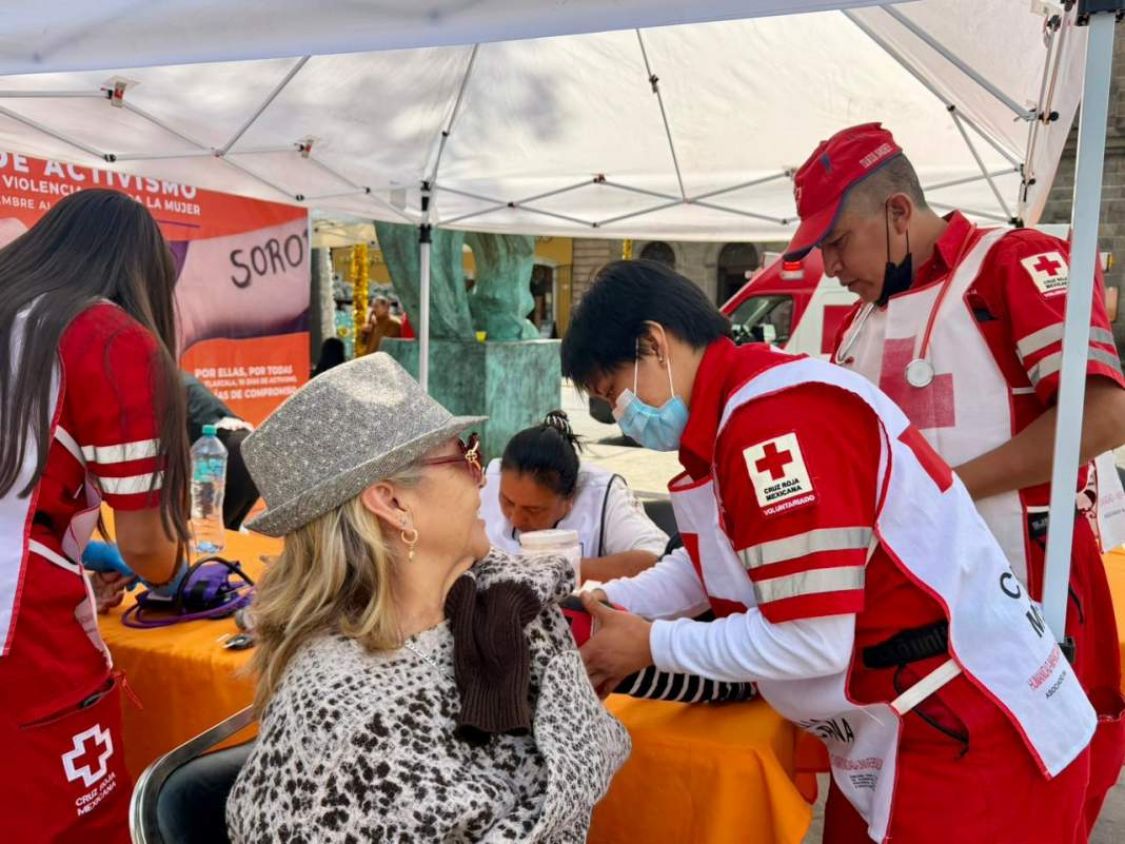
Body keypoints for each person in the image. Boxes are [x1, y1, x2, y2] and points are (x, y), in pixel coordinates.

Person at [561, 259, 1096, 843]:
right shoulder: (732, 415)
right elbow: (711, 561)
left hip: (974, 732)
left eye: (614, 394)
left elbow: (812, 640)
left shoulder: (772, 422)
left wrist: (652, 645)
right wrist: (608, 600)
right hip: (898, 723)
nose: (621, 416)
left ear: (654, 344)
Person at [787, 122, 1125, 830]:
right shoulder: (856, 322)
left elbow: (1101, 416)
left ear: (896, 211)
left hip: (1022, 608)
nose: (829, 265)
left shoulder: (1012, 260)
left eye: (836, 241)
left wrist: (935, 490)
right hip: (900, 639)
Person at [226, 353, 629, 843]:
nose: (483, 477)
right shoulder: (348, 719)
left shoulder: (501, 605)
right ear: (393, 502)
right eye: (467, 455)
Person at [0, 190, 189, 842]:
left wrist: (75, 549)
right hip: (23, 639)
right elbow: (150, 550)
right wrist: (175, 567)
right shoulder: (107, 339)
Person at [480, 410, 669, 582]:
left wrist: (560, 570)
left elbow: (656, 560)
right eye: (507, 501)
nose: (516, 519)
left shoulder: (603, 493)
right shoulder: (486, 481)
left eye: (533, 509)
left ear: (570, 498)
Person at [182, 372, 259, 530]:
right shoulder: (176, 378)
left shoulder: (159, 383)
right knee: (225, 532)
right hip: (252, 451)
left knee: (209, 534)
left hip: (230, 457)